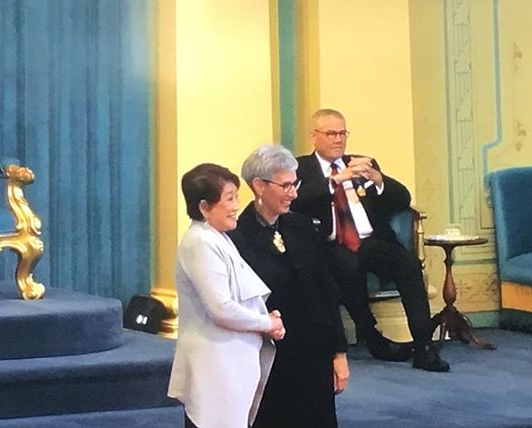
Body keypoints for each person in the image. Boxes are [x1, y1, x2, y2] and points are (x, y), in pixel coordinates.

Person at [292, 108, 449, 372]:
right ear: (314, 136)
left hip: (371, 241)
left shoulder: (363, 163)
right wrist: (335, 181)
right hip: (330, 243)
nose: (338, 139)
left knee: (406, 262)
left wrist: (377, 179)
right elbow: (298, 201)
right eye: (331, 133)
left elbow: (402, 199)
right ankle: (373, 337)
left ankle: (424, 344)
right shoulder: (301, 167)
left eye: (343, 133)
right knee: (347, 266)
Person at [229, 145, 349, 428]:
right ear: (259, 186)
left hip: (313, 351)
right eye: (285, 185)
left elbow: (325, 289)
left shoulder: (303, 226)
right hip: (268, 356)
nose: (293, 193)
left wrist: (339, 352)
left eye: (295, 183)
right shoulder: (236, 237)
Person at [167, 163, 286, 428]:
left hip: (231, 362)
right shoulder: (199, 243)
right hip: (215, 364)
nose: (236, 206)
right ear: (204, 207)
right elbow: (221, 308)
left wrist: (262, 315)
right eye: (229, 199)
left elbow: (238, 295)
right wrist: (268, 324)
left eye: (236, 197)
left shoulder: (218, 238)